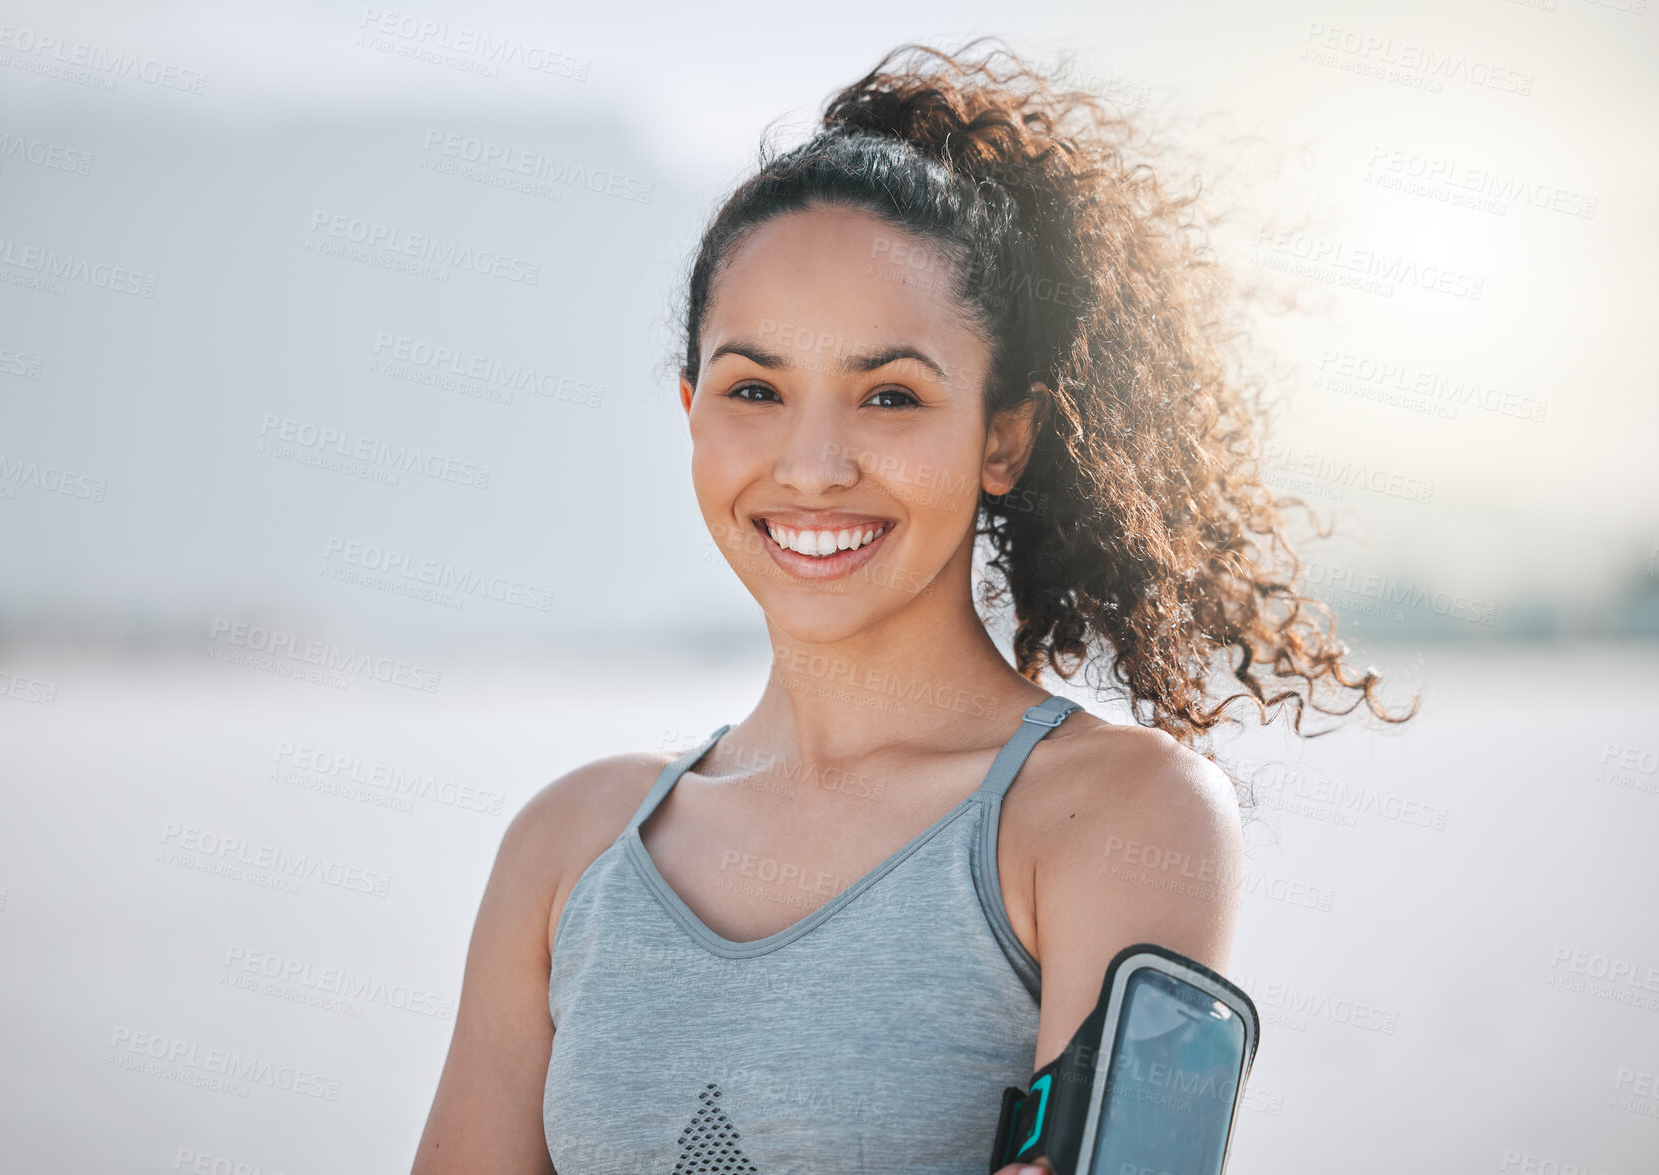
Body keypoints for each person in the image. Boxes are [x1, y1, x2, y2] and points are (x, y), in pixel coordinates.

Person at [411, 37, 1413, 1175]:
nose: (814, 465)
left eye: (891, 394)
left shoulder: (1111, 815)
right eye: (756, 389)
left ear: (1003, 436)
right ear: (692, 411)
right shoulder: (569, 842)